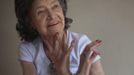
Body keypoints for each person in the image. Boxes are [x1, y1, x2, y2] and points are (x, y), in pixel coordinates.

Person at [15, 0, 105, 75]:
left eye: (55, 6)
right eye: (41, 11)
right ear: (30, 22)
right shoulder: (28, 49)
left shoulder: (82, 43)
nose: (52, 15)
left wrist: (64, 72)